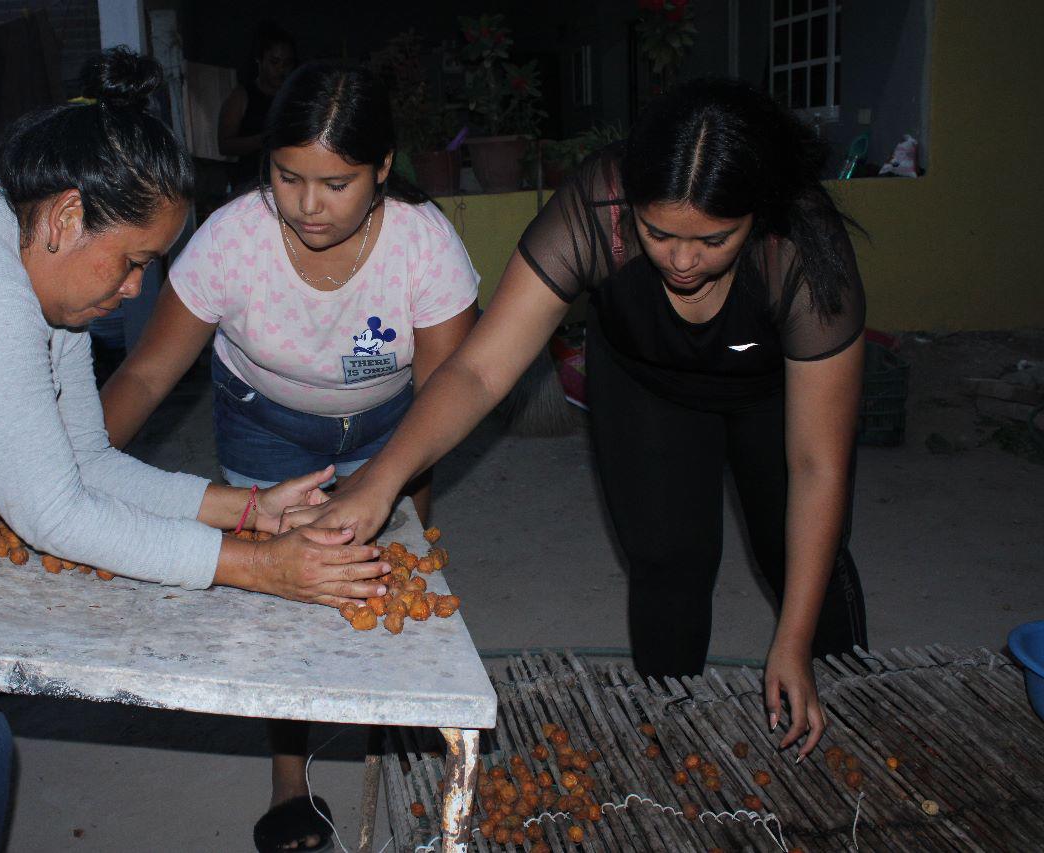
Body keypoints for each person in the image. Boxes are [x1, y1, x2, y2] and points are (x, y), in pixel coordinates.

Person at [0, 48, 390, 851]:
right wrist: (260, 567)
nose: (135, 289)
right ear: (65, 216)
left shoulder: (30, 263)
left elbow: (84, 466)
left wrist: (247, 509)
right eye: (132, 262)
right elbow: (52, 514)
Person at [291, 77, 869, 759]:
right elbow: (479, 370)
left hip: (772, 392)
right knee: (666, 561)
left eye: (713, 239)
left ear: (758, 215)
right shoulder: (595, 207)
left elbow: (817, 462)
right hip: (645, 381)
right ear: (630, 205)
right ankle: (672, 733)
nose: (683, 260)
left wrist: (791, 642)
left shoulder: (799, 247)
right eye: (659, 233)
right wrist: (378, 481)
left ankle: (849, 699)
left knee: (798, 552)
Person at [100, 61, 478, 853]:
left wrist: (384, 485)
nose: (308, 205)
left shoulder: (424, 243)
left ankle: (382, 740)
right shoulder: (232, 239)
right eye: (287, 177)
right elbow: (144, 371)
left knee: (384, 586)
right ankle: (288, 781)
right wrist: (63, 467)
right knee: (279, 593)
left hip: (393, 430)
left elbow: (452, 392)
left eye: (336, 183)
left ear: (381, 170)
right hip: (264, 423)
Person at [219, 22, 296, 189]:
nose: (281, 69)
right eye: (274, 62)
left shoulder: (294, 97)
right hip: (250, 186)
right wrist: (264, 139)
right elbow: (225, 145)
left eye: (287, 63)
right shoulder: (241, 96)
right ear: (259, 60)